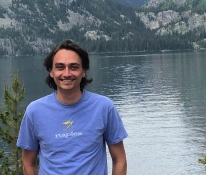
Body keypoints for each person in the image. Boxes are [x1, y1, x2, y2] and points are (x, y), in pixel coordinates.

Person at [17, 39, 128, 175]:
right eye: (60, 67)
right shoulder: (34, 111)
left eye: (74, 67)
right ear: (51, 71)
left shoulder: (104, 107)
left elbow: (119, 159)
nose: (67, 73)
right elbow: (28, 163)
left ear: (83, 71)